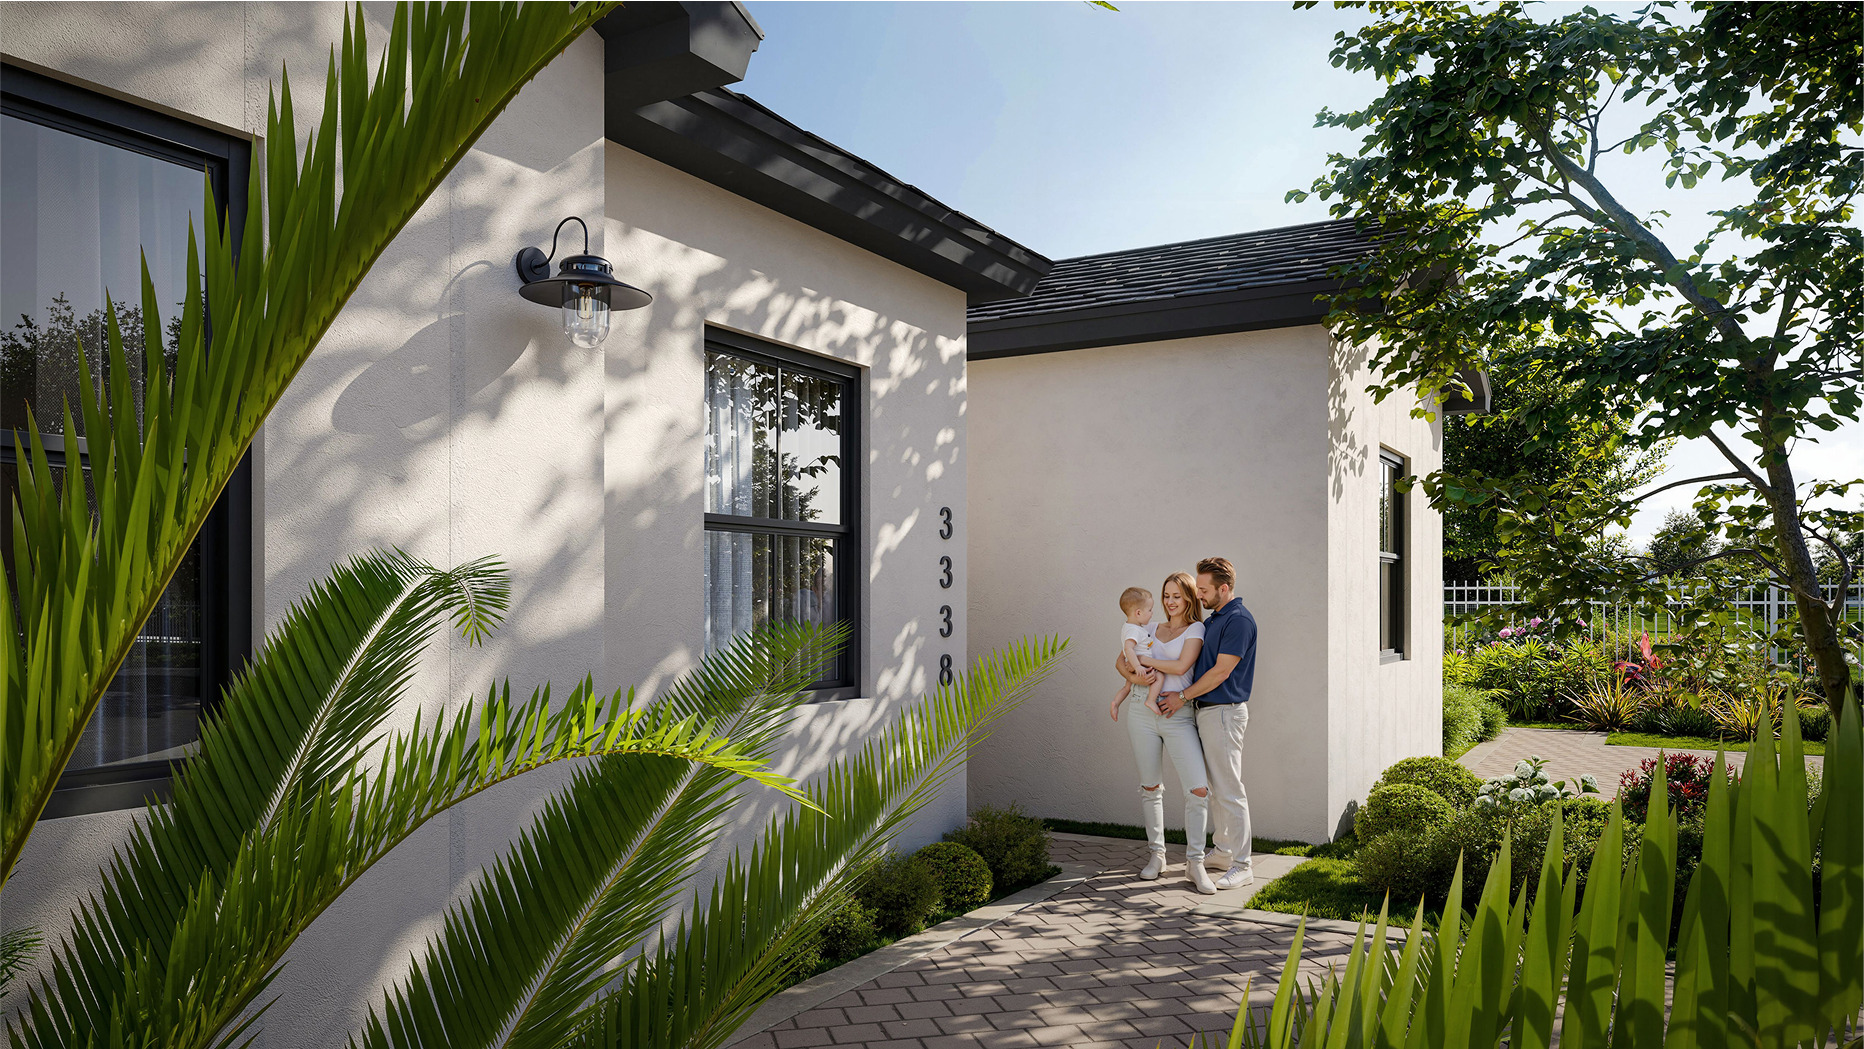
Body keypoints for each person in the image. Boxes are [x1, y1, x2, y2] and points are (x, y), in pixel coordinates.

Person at [1113, 572, 1216, 893]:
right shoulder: (1148, 627)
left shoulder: (1196, 629)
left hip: (1178, 713)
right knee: (1150, 786)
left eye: (1177, 596)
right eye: (1166, 596)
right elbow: (1120, 661)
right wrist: (1139, 678)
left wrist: (1142, 661)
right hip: (1141, 711)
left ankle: (1195, 862)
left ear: (1189, 598)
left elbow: (1183, 666)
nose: (1170, 602)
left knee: (1198, 789)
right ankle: (1157, 856)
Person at [1159, 556, 1258, 891]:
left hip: (1224, 713)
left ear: (1224, 588)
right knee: (1216, 789)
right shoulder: (1216, 619)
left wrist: (1182, 697)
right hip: (1207, 713)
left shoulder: (1239, 620)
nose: (1198, 595)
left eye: (1203, 589)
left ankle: (1243, 865)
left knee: (1230, 790)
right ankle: (1225, 851)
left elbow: (1221, 671)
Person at [1110, 587, 1166, 720]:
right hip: (1140, 667)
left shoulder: (1130, 627)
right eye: (1150, 610)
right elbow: (1128, 649)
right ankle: (1151, 700)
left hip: (1135, 666)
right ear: (1139, 613)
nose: (1152, 613)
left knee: (1127, 687)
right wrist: (1137, 666)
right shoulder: (1134, 630)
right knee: (1160, 677)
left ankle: (1115, 703)